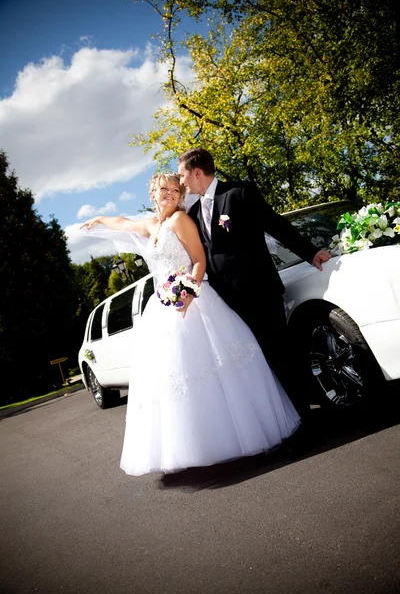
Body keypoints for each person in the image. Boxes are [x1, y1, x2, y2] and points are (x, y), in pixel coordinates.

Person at [81, 172, 302, 476]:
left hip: (194, 302)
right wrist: (100, 219)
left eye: (175, 189)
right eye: (164, 190)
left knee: (213, 370)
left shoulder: (181, 221)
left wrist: (188, 292)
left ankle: (238, 437)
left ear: (181, 195)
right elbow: (122, 222)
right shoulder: (150, 225)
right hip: (161, 308)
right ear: (153, 195)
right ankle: (194, 444)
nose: (170, 194)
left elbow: (199, 259)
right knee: (175, 376)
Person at [178, 149, 331, 444]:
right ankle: (285, 425)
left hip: (260, 292)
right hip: (228, 305)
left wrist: (310, 252)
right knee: (258, 365)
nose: (183, 181)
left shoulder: (239, 193)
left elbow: (275, 224)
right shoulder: (194, 214)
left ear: (197, 172)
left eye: (183, 174)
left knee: (280, 355)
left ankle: (308, 424)